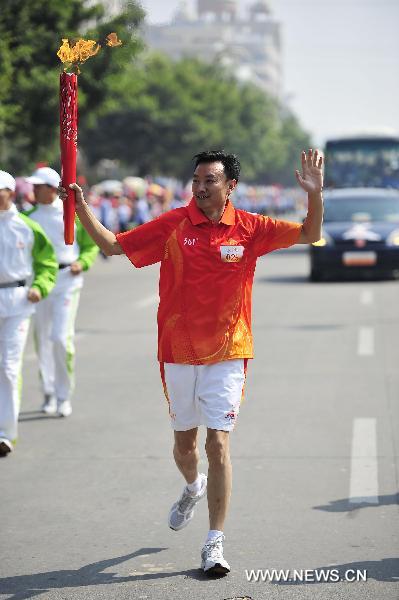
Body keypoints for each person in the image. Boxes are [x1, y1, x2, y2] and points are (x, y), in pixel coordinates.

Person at [59, 149, 323, 575]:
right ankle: (192, 485)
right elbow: (111, 247)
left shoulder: (251, 228)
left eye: (209, 181)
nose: (200, 188)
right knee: (185, 447)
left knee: (218, 444)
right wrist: (80, 206)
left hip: (228, 350)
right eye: (196, 180)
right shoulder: (174, 224)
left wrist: (314, 194)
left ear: (229, 186)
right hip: (178, 350)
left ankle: (214, 543)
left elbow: (311, 233)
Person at [25, 167, 99, 417]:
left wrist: (83, 262)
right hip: (39, 282)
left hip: (67, 279)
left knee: (60, 338)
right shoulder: (29, 217)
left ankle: (63, 394)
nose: (34, 191)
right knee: (43, 339)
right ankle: (48, 391)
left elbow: (90, 245)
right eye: (33, 187)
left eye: (39, 186)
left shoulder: (71, 214)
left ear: (52, 188)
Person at [0, 170, 57, 457]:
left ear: (10, 193)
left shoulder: (27, 226)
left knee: (9, 367)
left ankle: (6, 434)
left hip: (18, 301)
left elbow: (47, 263)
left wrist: (40, 287)